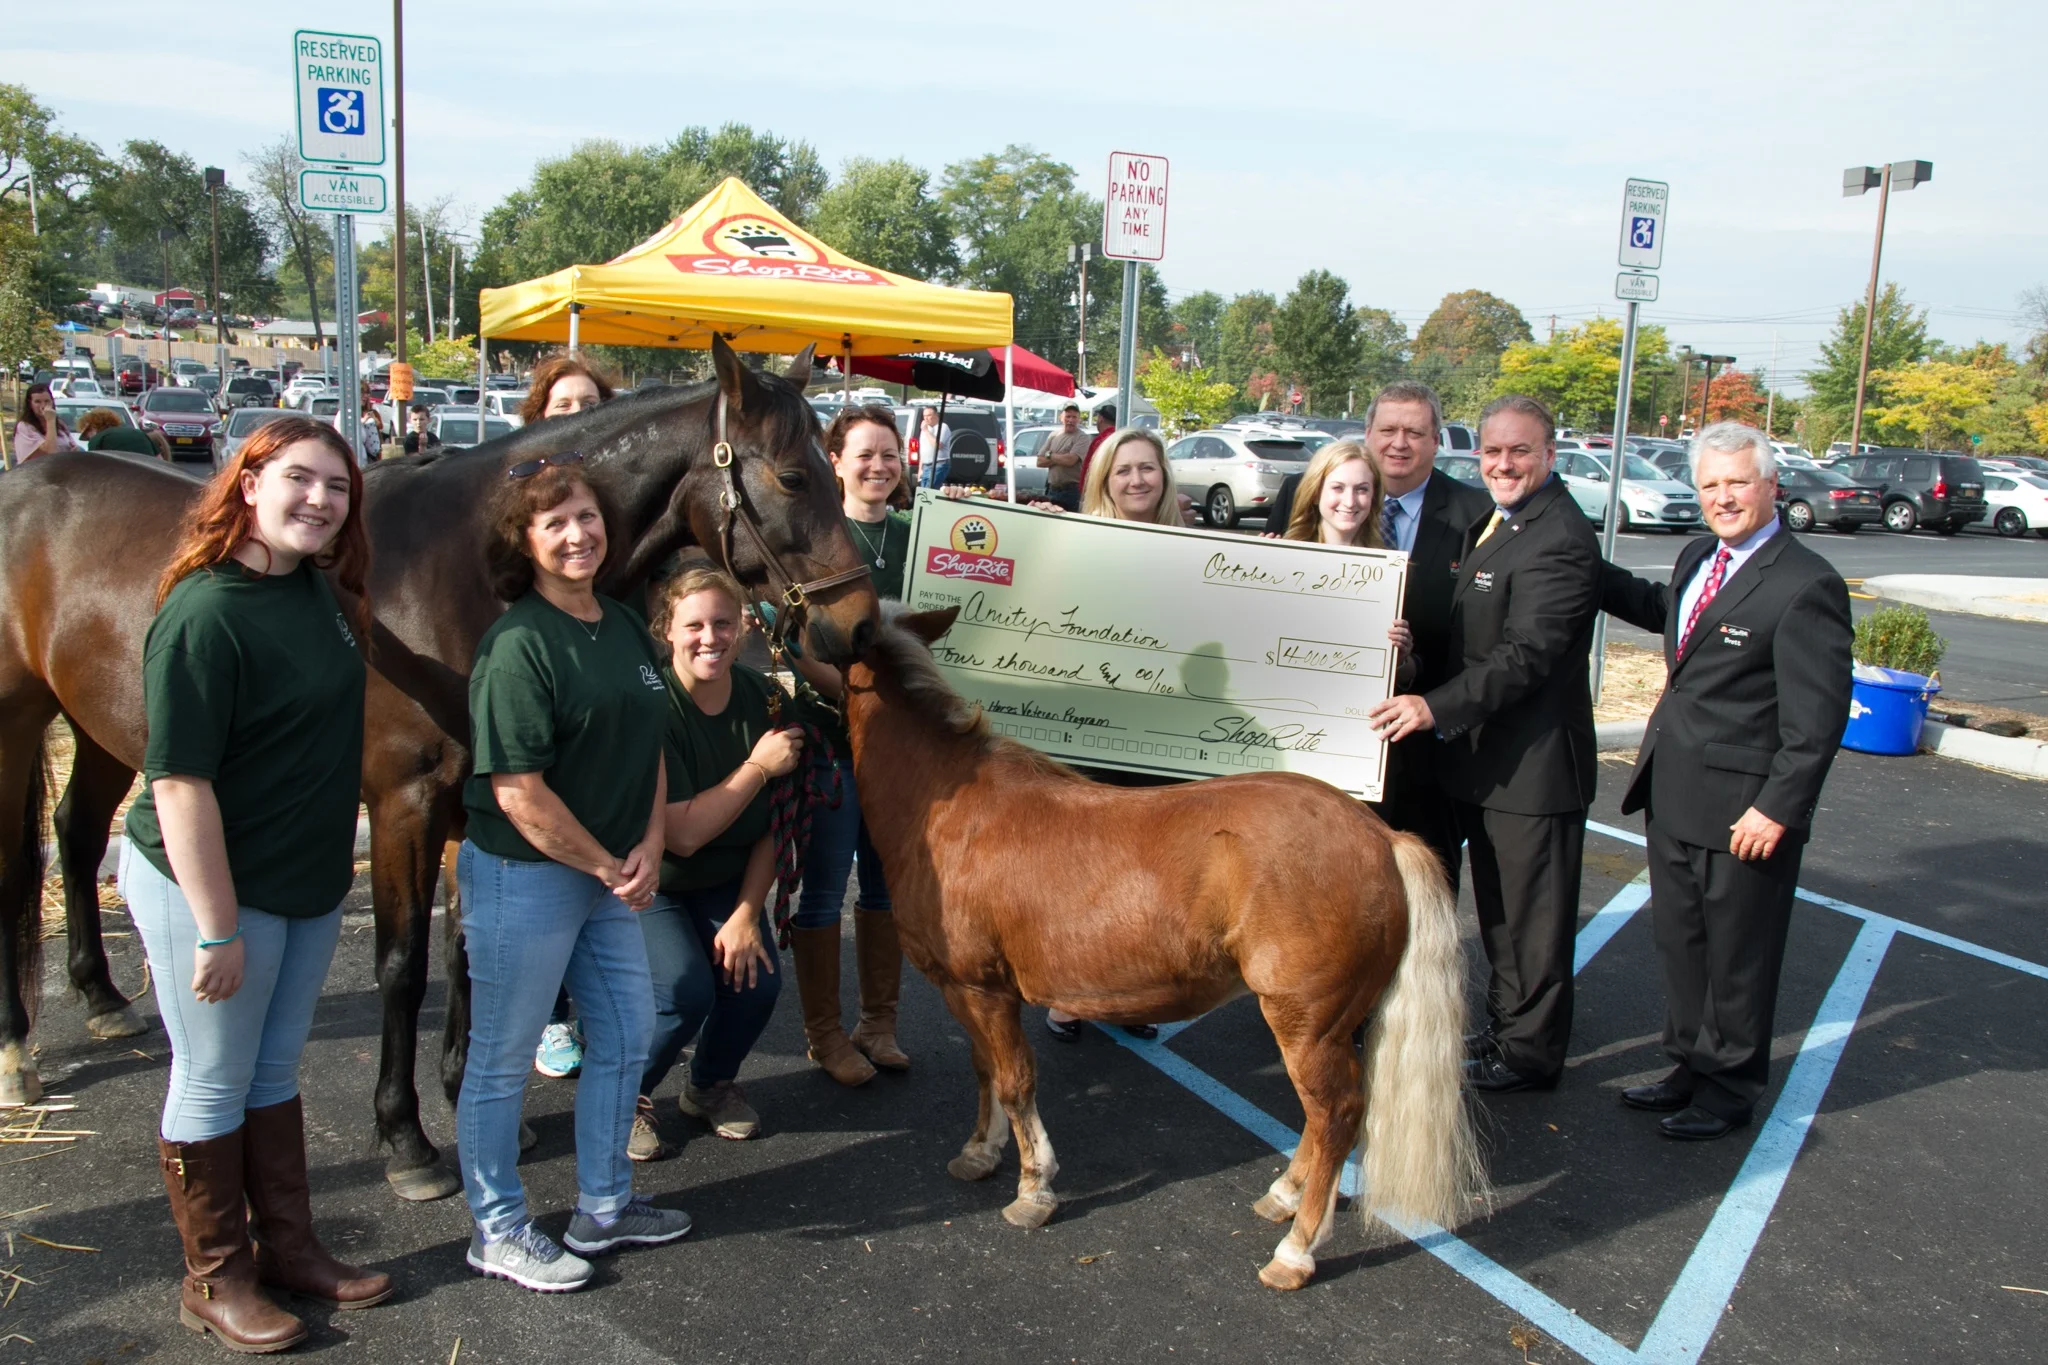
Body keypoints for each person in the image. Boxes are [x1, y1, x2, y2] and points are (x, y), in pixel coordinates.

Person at [119, 418, 392, 1352]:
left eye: (338, 487)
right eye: (299, 480)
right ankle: (215, 1276)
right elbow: (178, 780)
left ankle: (289, 1246)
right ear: (246, 484)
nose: (321, 500)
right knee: (212, 1075)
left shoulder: (321, 592)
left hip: (304, 880)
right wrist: (215, 926)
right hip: (211, 884)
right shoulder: (204, 613)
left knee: (273, 1070)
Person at [456, 456, 688, 1293]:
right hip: (530, 875)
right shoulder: (517, 644)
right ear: (524, 540)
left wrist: (652, 844)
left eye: (586, 516)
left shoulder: (621, 622)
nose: (576, 534)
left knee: (625, 1035)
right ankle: (499, 1226)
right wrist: (605, 863)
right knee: (504, 1056)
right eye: (553, 522)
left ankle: (605, 1204)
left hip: (612, 874)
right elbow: (520, 794)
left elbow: (650, 746)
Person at [1597, 423, 1853, 1141]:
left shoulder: (1807, 585)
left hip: (1745, 810)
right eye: (1710, 485)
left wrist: (1778, 808)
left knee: (1738, 954)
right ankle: (1686, 1063)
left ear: (1772, 485)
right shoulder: (1697, 555)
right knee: (1682, 945)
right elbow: (1673, 618)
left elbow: (1817, 721)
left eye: (1737, 482)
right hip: (1674, 793)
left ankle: (1728, 1087)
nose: (1723, 497)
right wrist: (1587, 568)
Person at [1367, 394, 1600, 1095]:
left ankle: (1529, 1053)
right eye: (1493, 451)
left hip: (1533, 767)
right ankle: (1508, 1029)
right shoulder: (1512, 520)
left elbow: (1525, 655)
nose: (1503, 462)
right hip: (1491, 763)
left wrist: (1431, 707)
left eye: (1520, 451)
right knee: (1500, 915)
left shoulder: (1557, 532)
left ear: (1550, 456)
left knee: (1531, 922)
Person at [628, 567, 804, 1160]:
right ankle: (624, 1096)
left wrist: (748, 913)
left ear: (745, 627)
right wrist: (757, 766)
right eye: (694, 624)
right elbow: (681, 834)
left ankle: (707, 1086)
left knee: (755, 981)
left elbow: (773, 826)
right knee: (683, 989)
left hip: (727, 882)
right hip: (653, 883)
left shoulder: (764, 698)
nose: (711, 637)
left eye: (724, 622)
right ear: (667, 630)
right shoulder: (653, 704)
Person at [784, 406, 912, 1088]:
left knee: (887, 886)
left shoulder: (918, 533)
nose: (877, 466)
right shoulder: (813, 539)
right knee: (826, 887)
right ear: (834, 462)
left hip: (904, 753)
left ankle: (879, 1023)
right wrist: (857, 705)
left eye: (888, 454)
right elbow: (797, 642)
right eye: (863, 454)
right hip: (836, 742)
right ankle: (826, 1033)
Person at [514, 356, 617, 1082]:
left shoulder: (613, 500)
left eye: (590, 405)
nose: (576, 416)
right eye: (563, 406)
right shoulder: (511, 487)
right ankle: (548, 1016)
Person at [1278, 438, 1417, 689]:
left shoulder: (1389, 573)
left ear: (1374, 497)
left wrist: (1400, 658)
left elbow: (1400, 678)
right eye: (1338, 488)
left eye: (1361, 489)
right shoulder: (1279, 560)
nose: (1350, 501)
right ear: (1315, 492)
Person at [518, 354, 616, 427]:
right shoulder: (520, 454)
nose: (577, 411)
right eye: (563, 405)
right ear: (540, 415)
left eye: (590, 404)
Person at [1036, 402, 1090, 512]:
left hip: (1072, 492)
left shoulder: (1082, 437)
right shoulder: (1053, 435)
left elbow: (1070, 460)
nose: (1071, 420)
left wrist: (1050, 454)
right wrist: (1061, 457)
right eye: (1068, 416)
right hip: (1052, 490)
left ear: (1079, 419)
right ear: (1061, 417)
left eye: (1074, 417)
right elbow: (1039, 462)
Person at [12, 382, 82, 461]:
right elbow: (51, 451)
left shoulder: (59, 424)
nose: (43, 405)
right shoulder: (25, 427)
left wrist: (75, 450)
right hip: (37, 471)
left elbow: (72, 445)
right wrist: (50, 421)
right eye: (37, 402)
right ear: (30, 404)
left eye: (47, 401)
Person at [80, 406, 159, 457]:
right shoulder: (139, 433)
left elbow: (93, 468)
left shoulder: (98, 439)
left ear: (92, 428)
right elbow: (160, 460)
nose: (88, 439)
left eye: (87, 436)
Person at [913, 406, 953, 489]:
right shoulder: (925, 429)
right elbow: (923, 450)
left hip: (939, 464)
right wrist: (920, 469)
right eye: (924, 416)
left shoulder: (943, 427)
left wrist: (926, 431)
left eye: (929, 415)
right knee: (923, 490)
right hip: (926, 465)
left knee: (930, 489)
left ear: (936, 415)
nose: (926, 418)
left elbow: (937, 445)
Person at [1079, 405, 1117, 486]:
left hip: (1099, 490)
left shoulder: (1100, 440)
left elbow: (1093, 470)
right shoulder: (1120, 437)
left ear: (1100, 418)